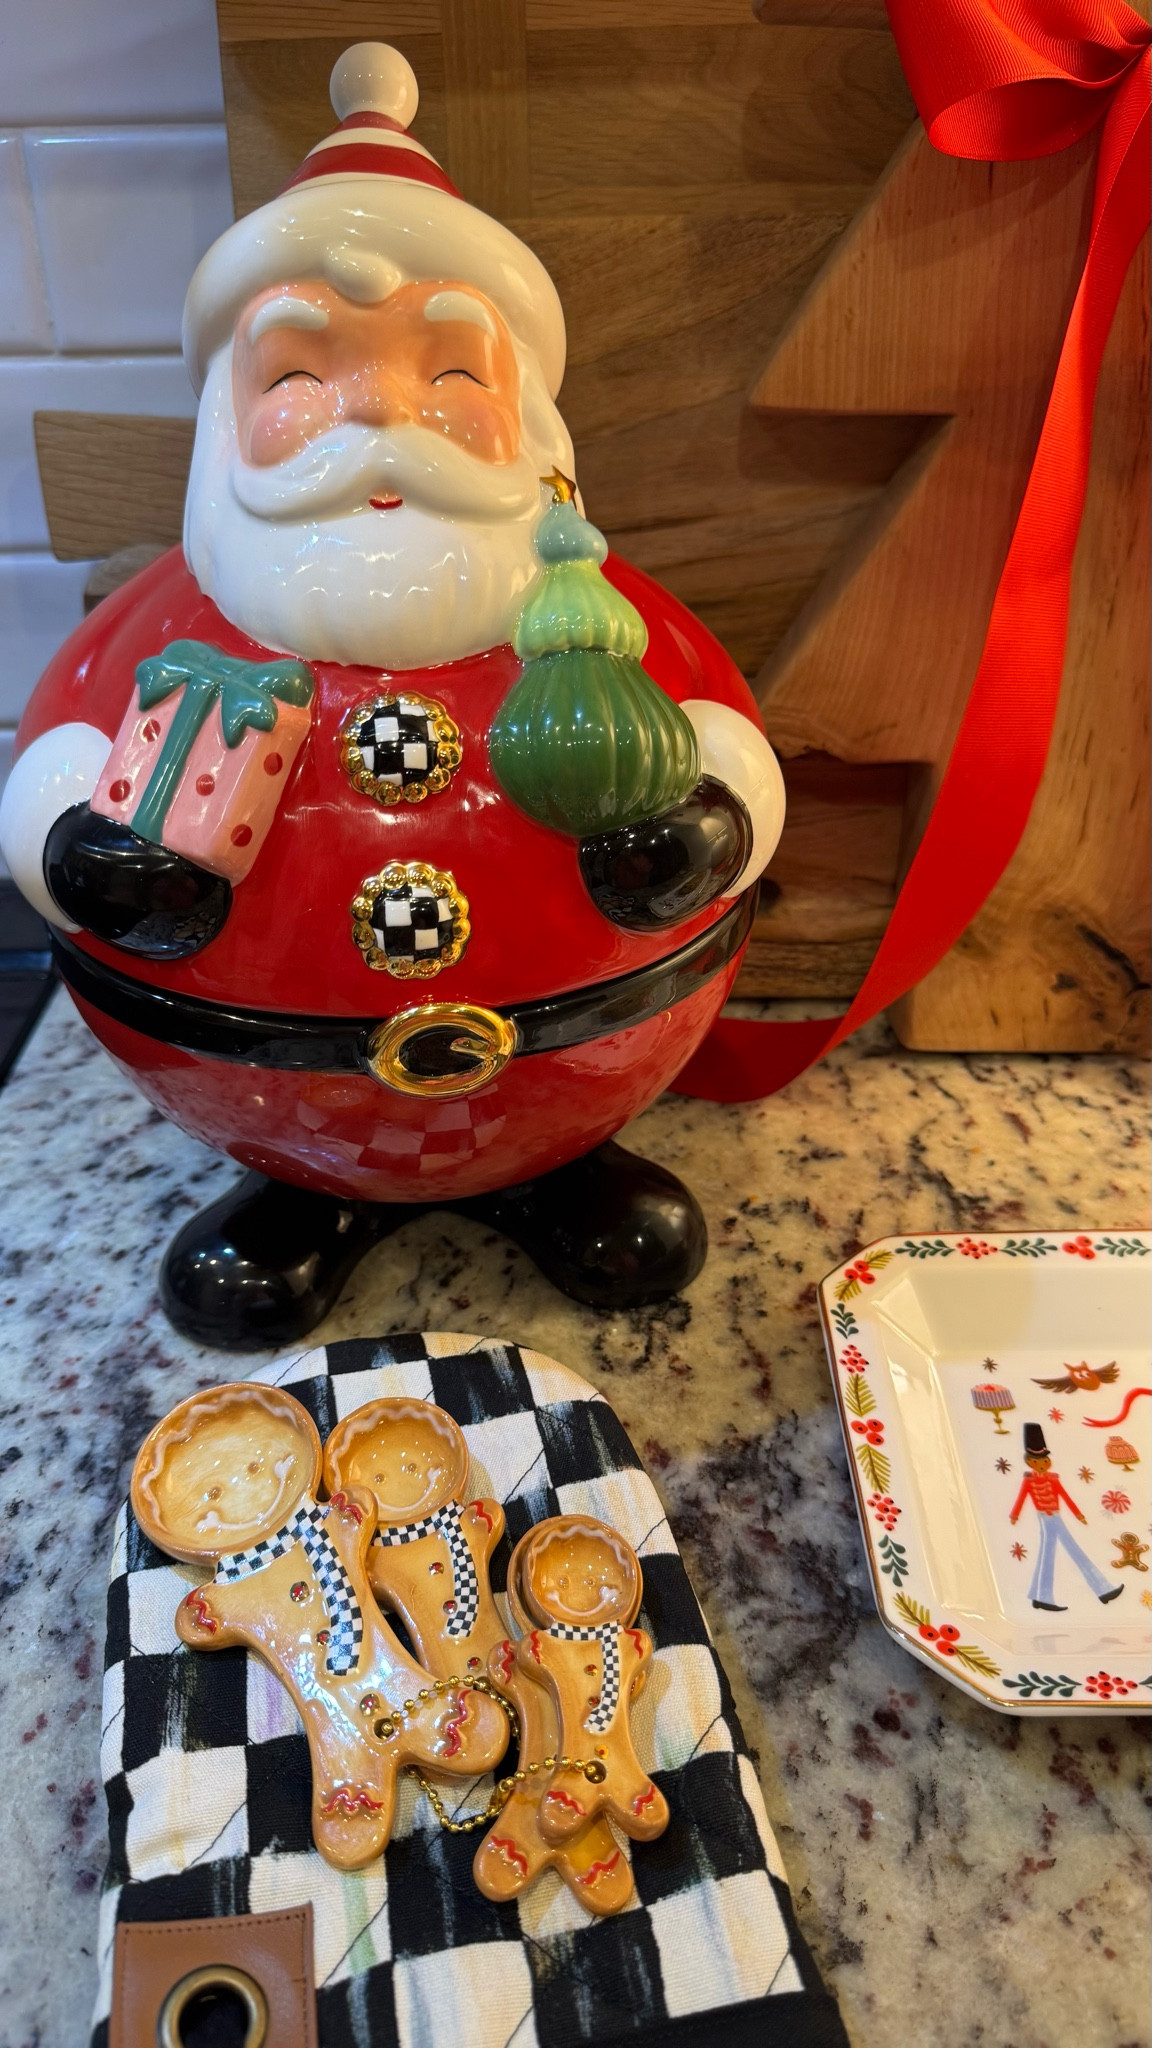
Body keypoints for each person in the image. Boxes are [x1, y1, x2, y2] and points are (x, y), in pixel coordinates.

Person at [0, 44, 784, 1348]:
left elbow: (726, 740)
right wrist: (90, 861)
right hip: (271, 1095)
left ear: (530, 417)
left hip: (579, 1060)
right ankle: (311, 1196)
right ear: (224, 413)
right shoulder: (160, 640)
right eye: (304, 379)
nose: (380, 417)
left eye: (450, 378)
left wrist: (703, 826)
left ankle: (555, 1167)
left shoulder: (604, 622)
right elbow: (52, 776)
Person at [1009, 1423, 1123, 1611]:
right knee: (1056, 1552)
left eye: (1045, 1461)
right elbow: (1022, 1497)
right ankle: (1099, 1590)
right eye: (1037, 1461)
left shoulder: (1053, 1479)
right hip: (1046, 1518)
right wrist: (1014, 1515)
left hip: (1055, 1517)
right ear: (1030, 1462)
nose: (1042, 1465)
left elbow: (1065, 1496)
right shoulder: (1029, 1480)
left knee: (1055, 1552)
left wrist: (1079, 1515)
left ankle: (1041, 1596)